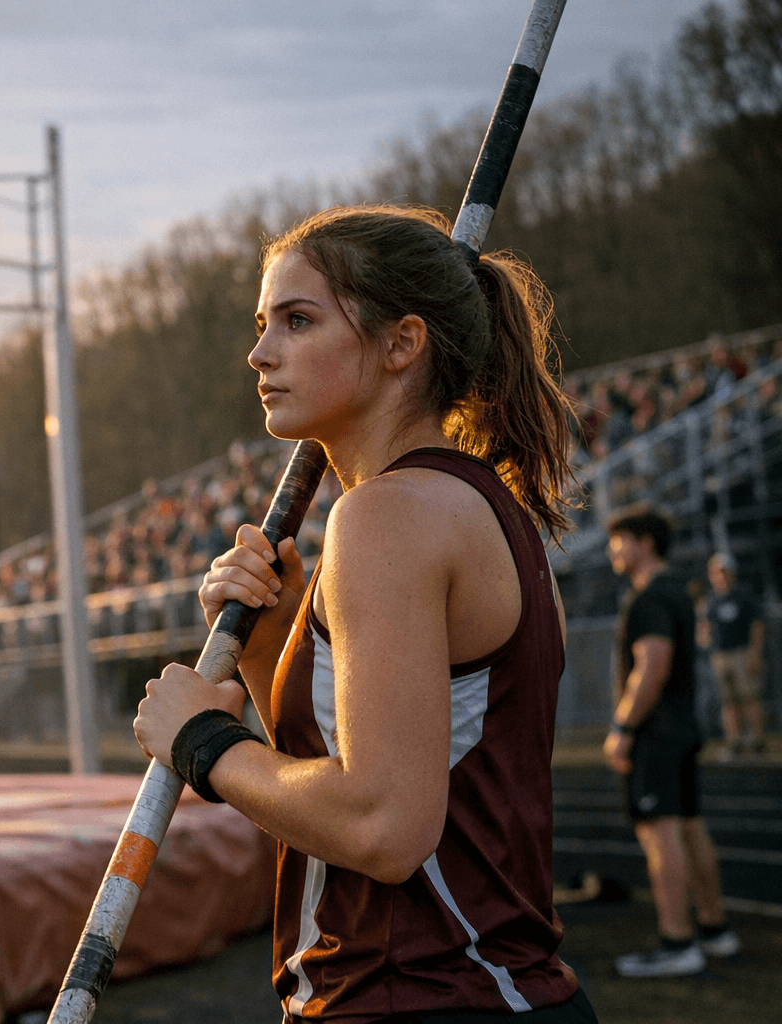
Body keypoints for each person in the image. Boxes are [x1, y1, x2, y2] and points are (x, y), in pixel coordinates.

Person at [132, 205, 596, 1021]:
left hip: (412, 996)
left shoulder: (385, 517)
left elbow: (384, 825)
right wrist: (271, 647)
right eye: (262, 322)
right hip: (494, 991)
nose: (260, 351)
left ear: (401, 345)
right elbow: (391, 773)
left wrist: (204, 742)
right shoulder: (488, 510)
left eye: (298, 320)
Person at [603, 507, 739, 976]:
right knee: (688, 825)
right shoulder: (677, 589)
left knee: (660, 833)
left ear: (644, 542)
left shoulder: (649, 597)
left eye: (618, 540)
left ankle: (677, 940)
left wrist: (622, 728)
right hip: (680, 728)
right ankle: (715, 930)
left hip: (657, 733)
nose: (611, 551)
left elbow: (652, 666)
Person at [698, 551, 767, 759]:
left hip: (742, 653)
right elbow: (704, 627)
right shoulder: (710, 599)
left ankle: (757, 743)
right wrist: (705, 642)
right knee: (728, 702)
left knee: (749, 698)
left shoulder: (743, 595)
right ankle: (734, 742)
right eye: (717, 572)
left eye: (725, 571)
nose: (722, 576)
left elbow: (757, 626)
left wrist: (754, 654)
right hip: (720, 656)